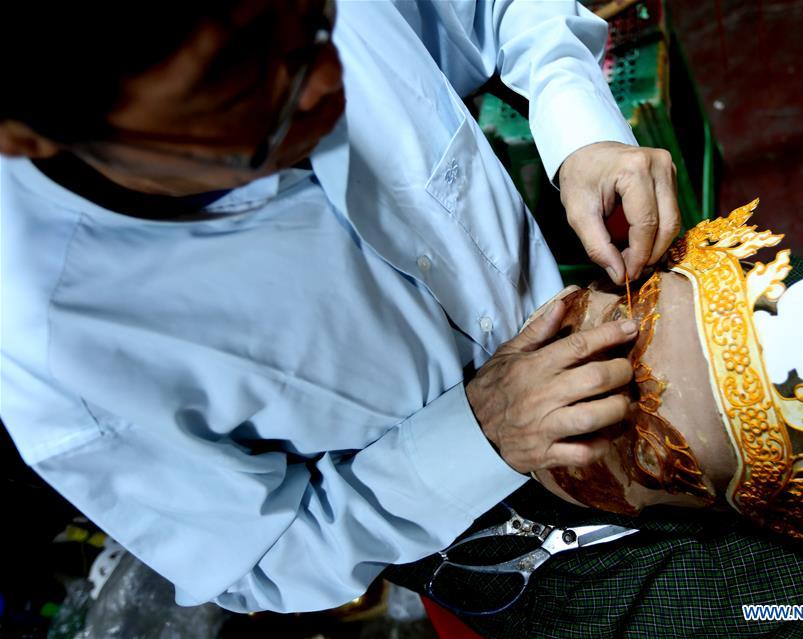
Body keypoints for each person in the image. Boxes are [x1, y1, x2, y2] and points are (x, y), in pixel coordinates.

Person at [1, 0, 678, 614]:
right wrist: (479, 436)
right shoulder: (59, 353)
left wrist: (580, 124)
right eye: (242, 73)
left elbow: (488, 8)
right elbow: (264, 561)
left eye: (317, 21)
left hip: (583, 310)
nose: (331, 79)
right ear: (26, 135)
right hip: (488, 524)